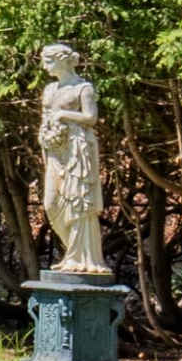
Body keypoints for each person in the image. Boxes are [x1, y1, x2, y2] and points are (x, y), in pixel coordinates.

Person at [36, 44, 106, 276]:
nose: (44, 66)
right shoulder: (49, 89)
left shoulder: (82, 88)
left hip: (78, 150)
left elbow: (91, 117)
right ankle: (71, 253)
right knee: (51, 203)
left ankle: (82, 258)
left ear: (63, 61)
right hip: (56, 151)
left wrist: (64, 115)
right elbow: (46, 119)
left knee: (79, 203)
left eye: (48, 61)